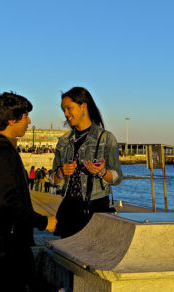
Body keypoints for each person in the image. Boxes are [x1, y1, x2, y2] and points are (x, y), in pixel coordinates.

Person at [0, 92, 57, 292]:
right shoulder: (1, 153)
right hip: (4, 250)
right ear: (11, 120)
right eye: (25, 116)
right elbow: (8, 202)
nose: (29, 121)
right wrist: (44, 222)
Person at [52, 87, 123, 238]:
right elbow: (54, 180)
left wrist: (102, 172)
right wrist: (61, 172)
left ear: (83, 106)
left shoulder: (105, 138)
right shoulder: (64, 141)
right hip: (69, 211)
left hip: (95, 210)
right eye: (63, 109)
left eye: (69, 108)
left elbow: (117, 178)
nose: (66, 114)